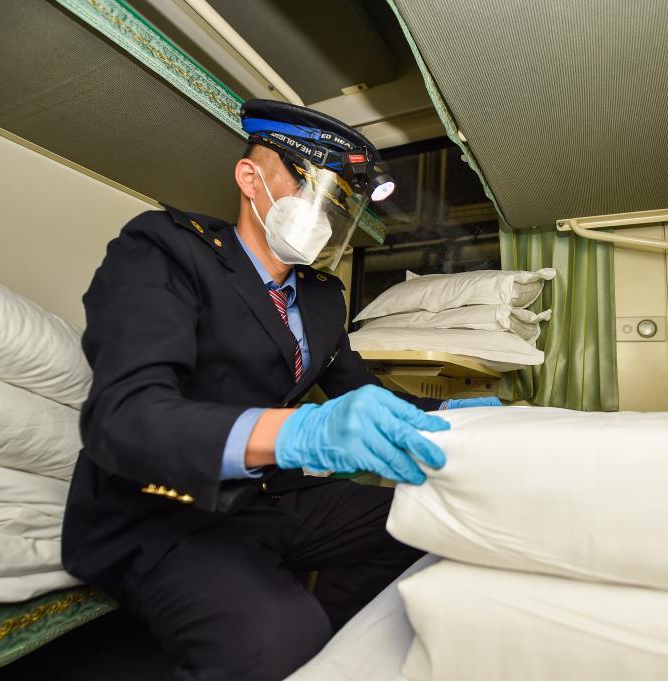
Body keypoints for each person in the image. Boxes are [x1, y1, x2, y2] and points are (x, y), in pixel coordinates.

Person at [61, 99, 501, 681]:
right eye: (309, 184)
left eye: (338, 199)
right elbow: (124, 418)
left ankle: (330, 650)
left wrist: (448, 409)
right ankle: (294, 642)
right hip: (167, 503)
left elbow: (357, 386)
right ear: (250, 178)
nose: (324, 211)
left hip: (271, 495)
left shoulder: (320, 298)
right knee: (278, 640)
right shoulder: (166, 250)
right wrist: (301, 431)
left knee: (429, 522)